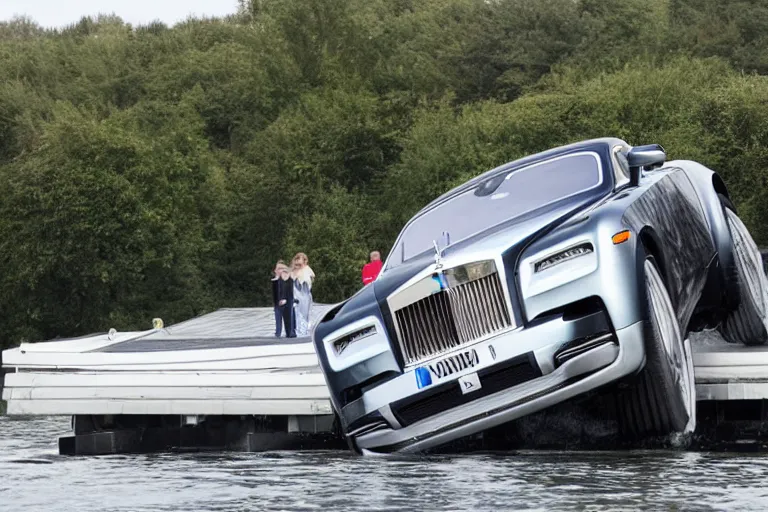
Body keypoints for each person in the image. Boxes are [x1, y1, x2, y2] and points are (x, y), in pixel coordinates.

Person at [291, 252, 315, 337]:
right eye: (296, 259)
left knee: (305, 312)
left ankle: (304, 330)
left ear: (304, 261)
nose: (298, 261)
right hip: (296, 295)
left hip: (304, 295)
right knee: (296, 312)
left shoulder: (307, 269)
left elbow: (309, 281)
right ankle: (297, 330)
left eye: (299, 259)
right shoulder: (293, 270)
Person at [271, 261, 296, 338]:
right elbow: (275, 293)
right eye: (277, 269)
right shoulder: (276, 280)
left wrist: (284, 299)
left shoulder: (288, 279)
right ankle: (278, 332)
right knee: (278, 317)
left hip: (287, 301)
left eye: (280, 268)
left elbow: (289, 291)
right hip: (278, 303)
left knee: (288, 317)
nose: (277, 270)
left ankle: (290, 332)